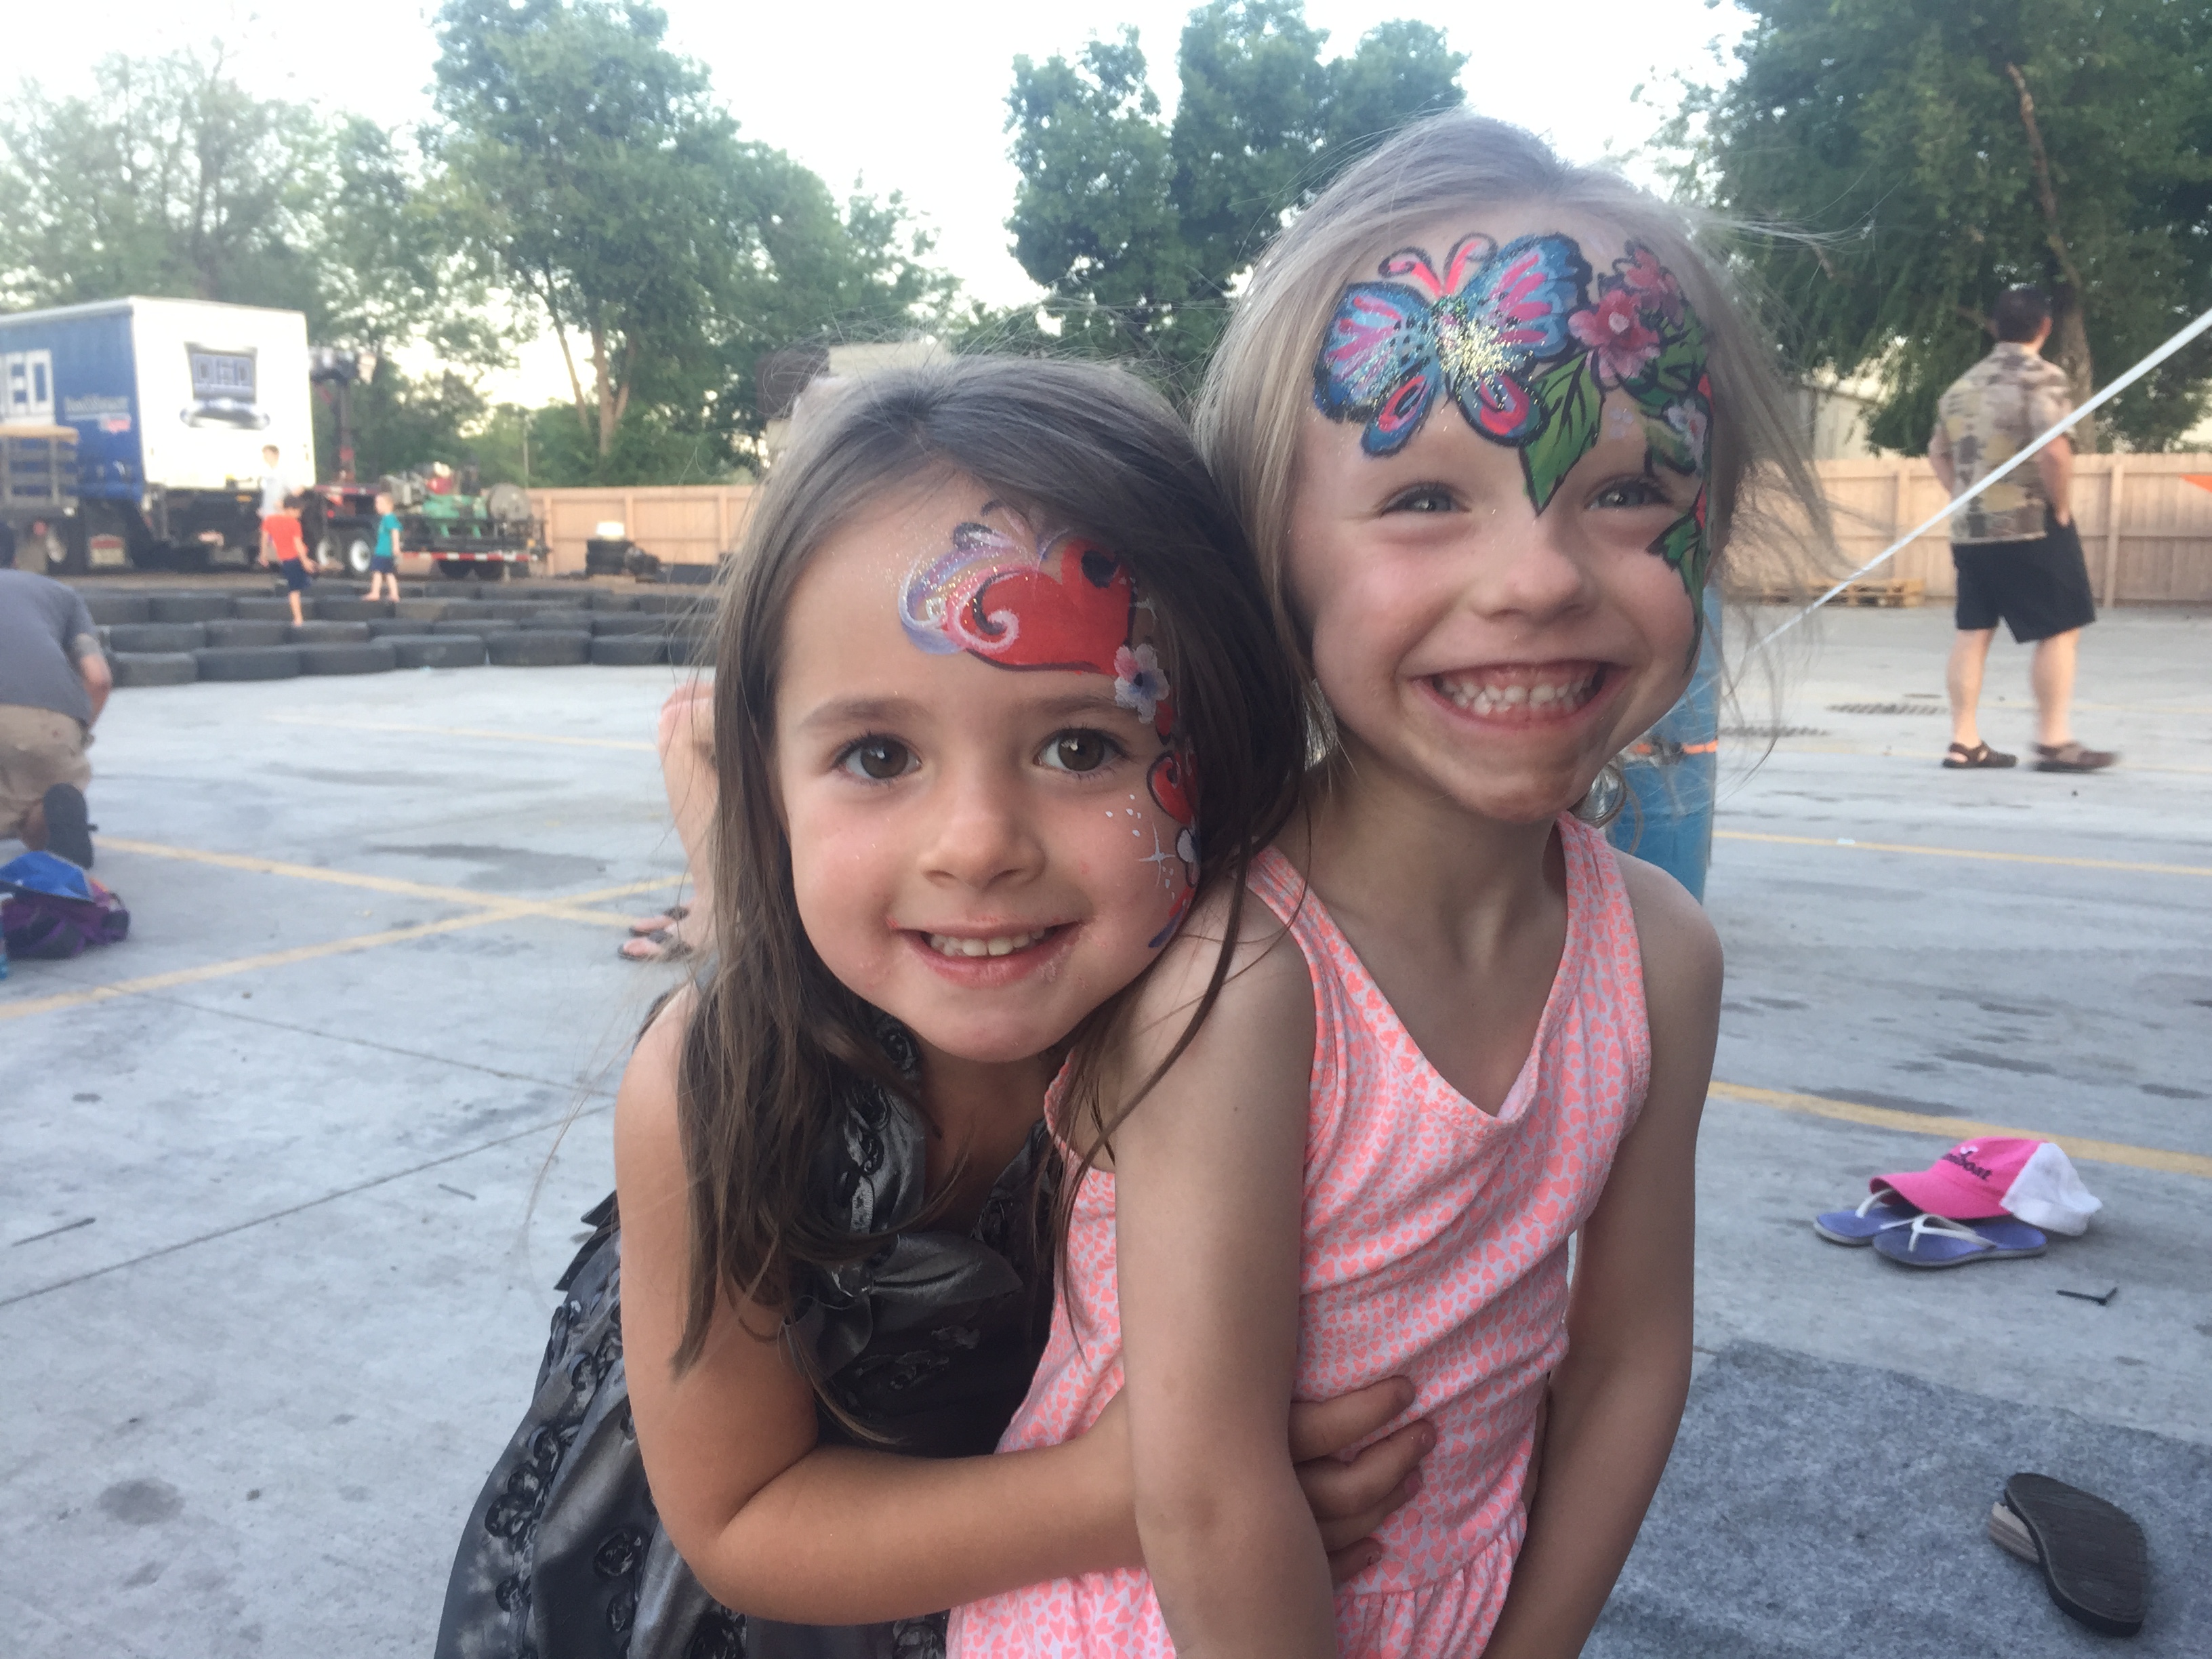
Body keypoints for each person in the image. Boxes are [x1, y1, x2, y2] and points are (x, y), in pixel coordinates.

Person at [949, 113, 1830, 1659]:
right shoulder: (1243, 985)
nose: (1541, 575)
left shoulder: (1657, 957)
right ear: (1270, 566)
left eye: (1631, 489)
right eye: (1423, 499)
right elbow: (1208, 1496)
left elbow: (1626, 1357)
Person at [435, 359, 1435, 1659]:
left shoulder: (1243, 1030)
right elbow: (739, 1520)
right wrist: (1173, 1490)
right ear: (767, 769)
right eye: (878, 755)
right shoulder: (718, 1084)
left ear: (1227, 746)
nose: (975, 845)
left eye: (1081, 744)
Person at [1926, 286, 2114, 773]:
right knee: (2061, 628)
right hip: (2031, 524)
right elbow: (2054, 451)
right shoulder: (2043, 378)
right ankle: (2053, 742)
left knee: (1973, 631)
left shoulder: (1960, 388)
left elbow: (1937, 453)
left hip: (1971, 532)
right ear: (2045, 327)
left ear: (1994, 327)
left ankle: (1963, 742)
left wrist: (1963, 497)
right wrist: (2063, 507)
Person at [0, 568, 109, 869]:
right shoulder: (61, 594)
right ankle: (48, 820)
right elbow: (99, 680)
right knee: (46, 793)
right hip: (45, 725)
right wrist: (78, 736)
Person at [266, 492, 313, 625]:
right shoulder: (294, 524)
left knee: (299, 583)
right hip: (295, 558)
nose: (300, 515)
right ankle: (298, 618)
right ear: (291, 510)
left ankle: (307, 577)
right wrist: (304, 561)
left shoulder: (273, 521)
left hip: (286, 559)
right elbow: (298, 545)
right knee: (295, 591)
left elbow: (272, 541)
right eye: (299, 512)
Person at [367, 490, 404, 602]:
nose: (376, 506)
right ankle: (394, 594)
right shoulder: (385, 518)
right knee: (389, 573)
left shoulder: (389, 518)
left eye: (379, 503)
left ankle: (375, 593)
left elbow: (395, 531)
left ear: (389, 505)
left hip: (383, 552)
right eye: (376, 503)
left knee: (377, 572)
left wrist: (396, 546)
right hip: (384, 551)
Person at [257, 444, 289, 566]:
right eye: (264, 455)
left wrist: (283, 503)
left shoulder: (283, 472)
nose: (265, 457)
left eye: (267, 454)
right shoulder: (267, 473)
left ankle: (286, 566)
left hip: (278, 514)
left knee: (279, 541)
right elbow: (267, 493)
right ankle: (264, 559)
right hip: (267, 513)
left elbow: (297, 489)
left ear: (276, 455)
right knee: (266, 539)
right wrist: (262, 508)